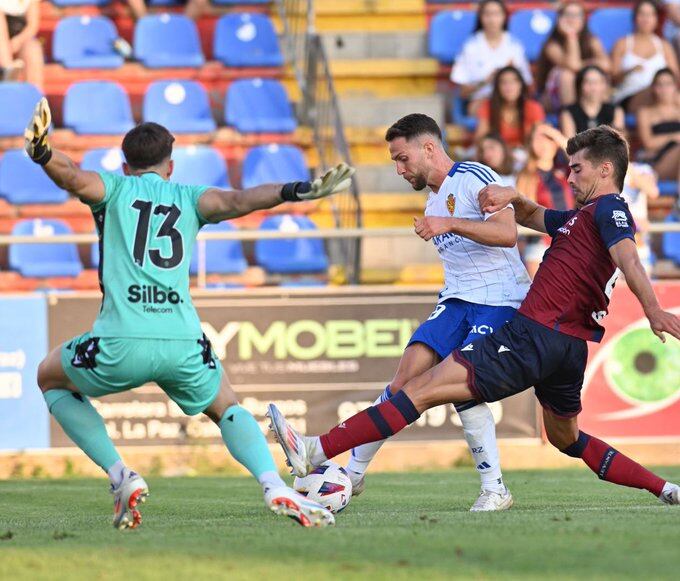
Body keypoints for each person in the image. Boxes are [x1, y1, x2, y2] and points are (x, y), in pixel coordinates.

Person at [267, 125, 680, 508]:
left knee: (422, 389)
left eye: (577, 169)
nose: (569, 179)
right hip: (569, 348)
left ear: (606, 169)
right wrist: (513, 198)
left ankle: (316, 449)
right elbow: (536, 216)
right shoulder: (579, 218)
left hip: (532, 334)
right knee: (565, 438)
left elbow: (627, 256)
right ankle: (664, 488)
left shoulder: (609, 210)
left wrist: (653, 310)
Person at [25, 98, 354, 529]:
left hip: (121, 339)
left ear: (126, 165)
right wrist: (297, 190)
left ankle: (120, 474)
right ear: (170, 165)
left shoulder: (113, 189)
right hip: (183, 341)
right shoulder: (189, 198)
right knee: (227, 407)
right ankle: (274, 483)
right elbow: (241, 199)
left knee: (49, 377)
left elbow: (70, 176)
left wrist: (44, 153)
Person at [304, 114, 532, 511]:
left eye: (402, 158)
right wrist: (443, 221)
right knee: (403, 378)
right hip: (457, 299)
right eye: (395, 161)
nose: (399, 169)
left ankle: (494, 489)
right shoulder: (431, 200)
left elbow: (507, 234)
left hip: (499, 300)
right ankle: (354, 474)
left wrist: (449, 223)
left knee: (464, 385)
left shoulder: (475, 177)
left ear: (429, 147)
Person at [450, 0, 532, 116]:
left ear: (504, 17)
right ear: (481, 17)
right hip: (482, 101)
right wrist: (487, 81)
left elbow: (527, 86)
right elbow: (463, 92)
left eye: (497, 14)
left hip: (511, 102)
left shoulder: (514, 46)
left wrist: (511, 76)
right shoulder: (470, 47)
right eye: (487, 14)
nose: (492, 20)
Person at [516, 123, 572, 277]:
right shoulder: (527, 175)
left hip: (569, 243)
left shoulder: (567, 171)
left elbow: (582, 158)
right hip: (540, 245)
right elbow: (524, 215)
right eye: (537, 139)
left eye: (548, 139)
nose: (543, 144)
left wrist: (556, 135)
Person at [536, 1, 610, 113]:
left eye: (577, 15)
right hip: (554, 97)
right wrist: (571, 36)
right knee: (567, 75)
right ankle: (572, 118)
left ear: (583, 19)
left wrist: (586, 66)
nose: (572, 19)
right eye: (568, 15)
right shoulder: (551, 45)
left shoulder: (592, 40)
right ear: (559, 19)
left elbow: (607, 65)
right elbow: (573, 65)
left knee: (597, 78)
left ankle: (602, 120)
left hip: (584, 89)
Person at [611, 0, 679, 113]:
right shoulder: (622, 44)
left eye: (650, 14)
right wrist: (629, 71)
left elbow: (675, 76)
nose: (646, 19)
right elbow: (613, 79)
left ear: (656, 19)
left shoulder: (664, 46)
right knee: (659, 92)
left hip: (663, 93)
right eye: (642, 14)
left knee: (669, 94)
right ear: (634, 18)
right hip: (630, 95)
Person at [474, 65, 545, 149]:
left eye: (513, 82)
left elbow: (540, 139)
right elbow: (480, 139)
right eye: (504, 83)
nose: (509, 86)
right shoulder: (488, 106)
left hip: (526, 153)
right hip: (497, 155)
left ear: (521, 85)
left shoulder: (533, 107)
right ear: (497, 87)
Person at [636, 67, 680, 187]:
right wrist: (674, 137)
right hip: (659, 161)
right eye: (660, 85)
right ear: (654, 88)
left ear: (675, 86)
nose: (664, 89)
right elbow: (648, 143)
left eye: (668, 84)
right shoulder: (645, 112)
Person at [560, 65, 625, 138]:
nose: (593, 87)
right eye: (588, 82)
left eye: (597, 82)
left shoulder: (616, 110)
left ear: (604, 85)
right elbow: (569, 144)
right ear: (580, 85)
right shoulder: (568, 113)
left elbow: (618, 142)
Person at [621, 161, 659, 275]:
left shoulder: (642, 168)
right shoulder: (603, 169)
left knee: (642, 285)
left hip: (637, 240)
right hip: (613, 240)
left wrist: (629, 168)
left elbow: (653, 191)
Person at [0, 0, 43, 89]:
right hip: (3, 45)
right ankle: (8, 70)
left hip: (20, 37)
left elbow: (32, 26)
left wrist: (18, 41)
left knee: (33, 49)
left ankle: (35, 97)